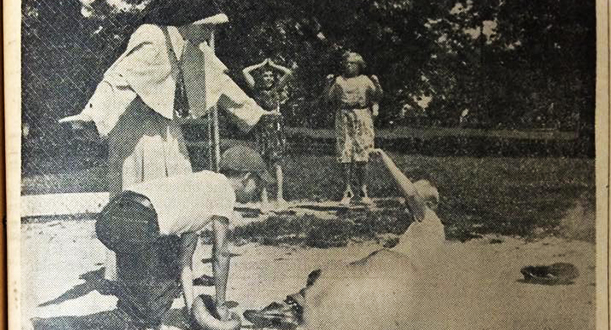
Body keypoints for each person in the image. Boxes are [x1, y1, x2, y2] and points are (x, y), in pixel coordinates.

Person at [59, 0, 274, 281]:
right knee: (140, 194)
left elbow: (221, 84)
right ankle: (131, 274)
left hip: (166, 127)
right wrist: (93, 115)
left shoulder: (194, 46)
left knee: (182, 190)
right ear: (190, 22)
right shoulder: (151, 37)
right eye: (207, 26)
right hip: (134, 130)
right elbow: (118, 80)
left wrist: (254, 113)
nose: (211, 33)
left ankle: (178, 268)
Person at [243, 148, 445, 330]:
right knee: (336, 278)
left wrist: (385, 159)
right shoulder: (426, 228)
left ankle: (292, 309)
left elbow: (410, 193)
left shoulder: (429, 220)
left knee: (330, 274)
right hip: (402, 280)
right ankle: (298, 311)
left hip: (396, 268)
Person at [96, 146, 274, 329]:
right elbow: (221, 253)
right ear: (246, 177)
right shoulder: (225, 190)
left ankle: (132, 317)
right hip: (138, 218)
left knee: (139, 299)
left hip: (115, 213)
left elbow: (184, 261)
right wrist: (220, 304)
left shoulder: (204, 184)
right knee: (147, 305)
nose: (258, 190)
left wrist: (192, 312)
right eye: (258, 183)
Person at [323, 52, 383, 205]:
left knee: (362, 153)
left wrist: (377, 84)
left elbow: (377, 96)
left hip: (362, 115)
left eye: (352, 63)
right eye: (346, 63)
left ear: (359, 65)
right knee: (345, 152)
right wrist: (327, 84)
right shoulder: (339, 81)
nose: (348, 65)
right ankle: (347, 190)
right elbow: (328, 99)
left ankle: (363, 190)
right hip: (344, 116)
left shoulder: (365, 80)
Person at [242, 58, 295, 209]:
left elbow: (288, 73)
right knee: (263, 164)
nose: (269, 78)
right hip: (262, 129)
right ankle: (264, 199)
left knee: (277, 164)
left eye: (271, 75)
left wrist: (273, 66)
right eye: (266, 76)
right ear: (260, 77)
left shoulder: (277, 88)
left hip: (276, 129)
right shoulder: (256, 88)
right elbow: (245, 71)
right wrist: (260, 65)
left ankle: (279, 197)